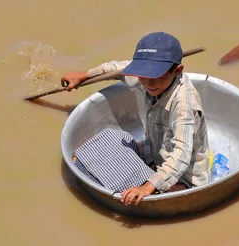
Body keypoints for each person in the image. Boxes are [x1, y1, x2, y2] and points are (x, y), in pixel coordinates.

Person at [61, 32, 210, 206]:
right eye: (143, 75)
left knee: (129, 194)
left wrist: (147, 187)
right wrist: (85, 75)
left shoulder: (184, 103)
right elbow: (117, 68)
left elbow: (181, 155)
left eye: (157, 76)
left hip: (181, 178)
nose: (148, 84)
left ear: (177, 71)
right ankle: (95, 167)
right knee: (110, 138)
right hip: (154, 153)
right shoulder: (147, 78)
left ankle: (136, 182)